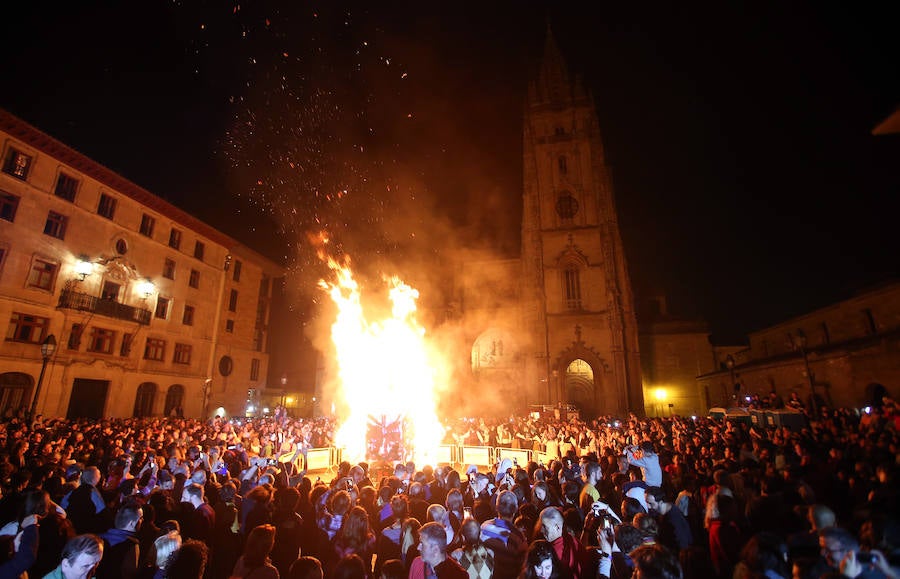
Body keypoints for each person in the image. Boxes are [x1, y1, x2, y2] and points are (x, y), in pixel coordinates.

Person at [95, 504, 142, 579]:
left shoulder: (97, 538)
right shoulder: (131, 545)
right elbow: (130, 573)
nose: (142, 520)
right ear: (132, 523)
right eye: (140, 518)